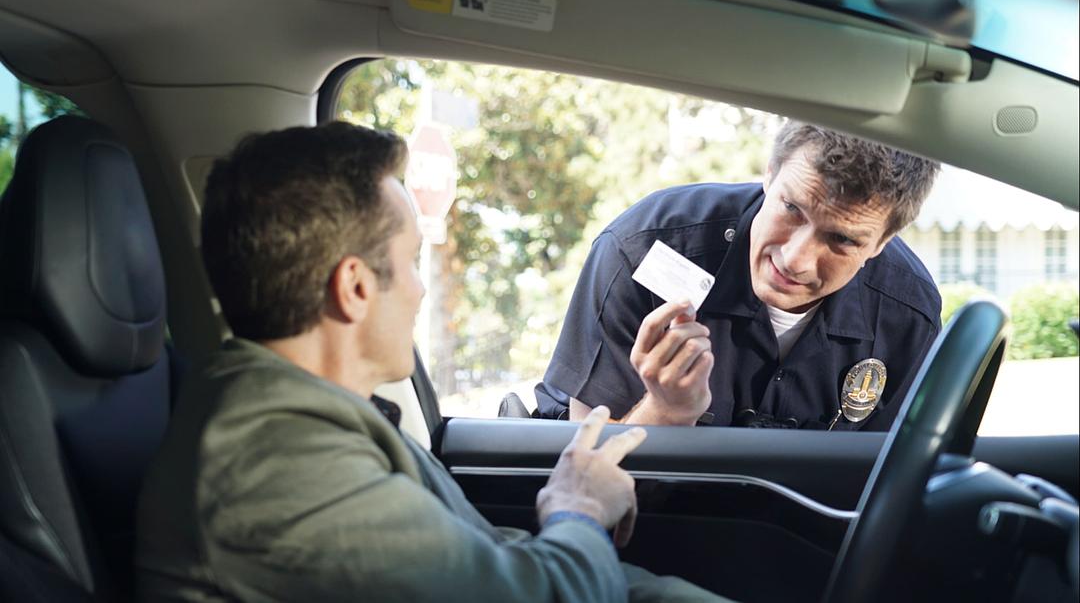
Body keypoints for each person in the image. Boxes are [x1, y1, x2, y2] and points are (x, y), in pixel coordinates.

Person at [135, 122, 724, 602]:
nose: (420, 292)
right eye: (412, 262)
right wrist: (580, 509)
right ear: (355, 288)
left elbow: (484, 560)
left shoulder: (314, 420)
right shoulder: (273, 459)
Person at [536, 121, 942, 430]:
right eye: (792, 209)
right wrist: (666, 410)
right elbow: (588, 469)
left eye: (842, 239)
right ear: (769, 173)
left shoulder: (908, 314)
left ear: (882, 242)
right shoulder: (643, 250)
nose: (794, 259)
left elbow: (896, 482)